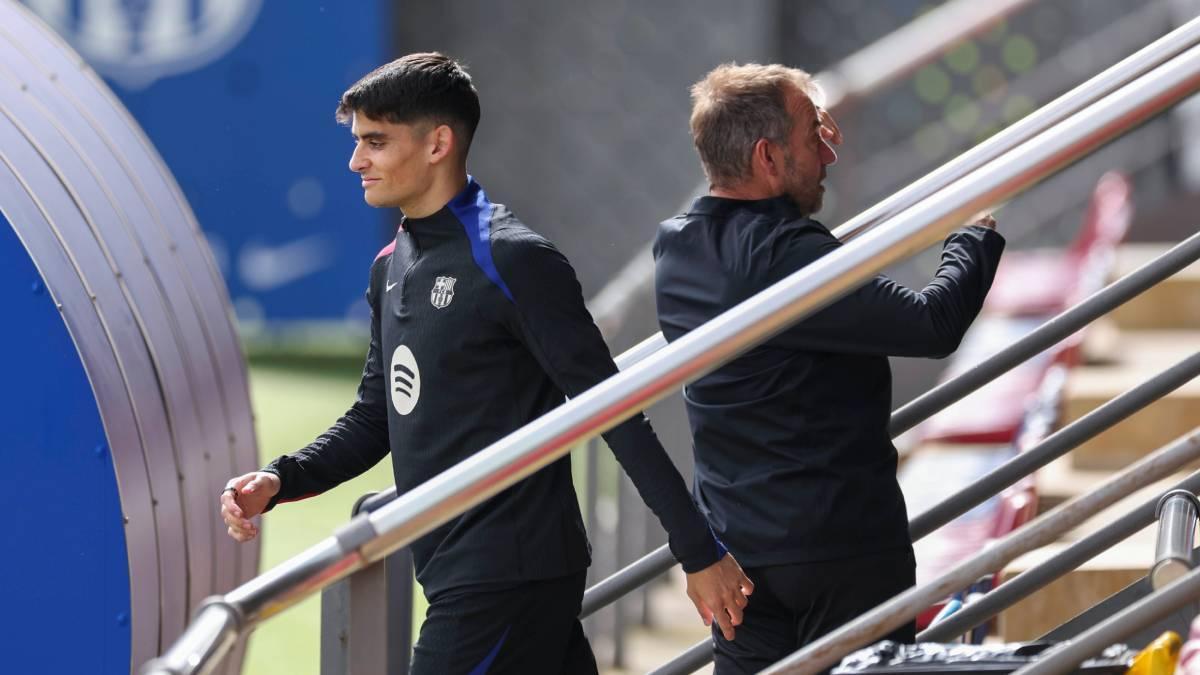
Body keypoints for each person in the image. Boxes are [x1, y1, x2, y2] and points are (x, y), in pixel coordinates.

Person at [217, 52, 753, 673]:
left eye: (376, 142)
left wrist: (697, 551)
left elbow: (613, 410)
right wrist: (282, 479)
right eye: (358, 141)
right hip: (464, 574)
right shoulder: (390, 266)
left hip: (505, 578)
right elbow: (378, 416)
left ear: (438, 143)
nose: (356, 161)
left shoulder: (512, 259)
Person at [653, 63, 1005, 673]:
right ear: (766, 156)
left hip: (739, 559)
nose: (829, 154)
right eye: (814, 136)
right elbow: (932, 324)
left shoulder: (677, 249)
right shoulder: (789, 256)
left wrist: (803, 130)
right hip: (841, 552)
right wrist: (972, 230)